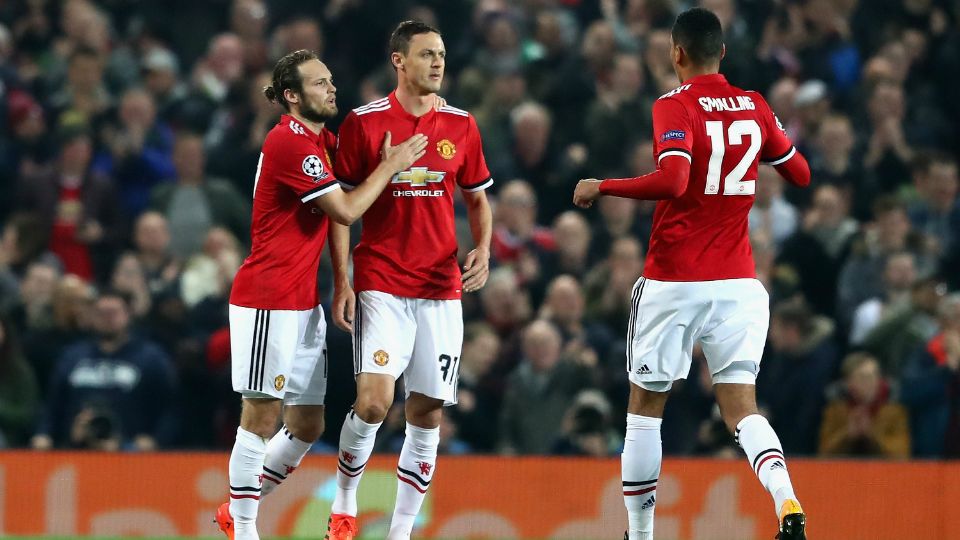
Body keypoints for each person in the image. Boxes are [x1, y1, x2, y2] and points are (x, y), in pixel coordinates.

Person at [573, 8, 811, 540]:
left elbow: (675, 180)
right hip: (741, 284)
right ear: (722, 52)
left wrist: (604, 185)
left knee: (644, 407)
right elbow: (800, 172)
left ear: (676, 53)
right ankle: (785, 497)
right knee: (741, 406)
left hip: (675, 279)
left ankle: (639, 534)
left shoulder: (673, 105)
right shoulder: (754, 105)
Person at [213, 49, 427, 540]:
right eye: (319, 84)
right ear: (292, 96)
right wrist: (392, 165)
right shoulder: (289, 143)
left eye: (331, 81)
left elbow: (350, 183)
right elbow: (347, 209)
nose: (332, 89)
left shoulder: (321, 139)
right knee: (261, 415)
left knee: (308, 424)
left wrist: (341, 280)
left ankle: (236, 507)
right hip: (267, 299)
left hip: (302, 301)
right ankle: (245, 530)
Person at [326, 20, 494, 540]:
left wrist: (483, 249)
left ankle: (399, 532)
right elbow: (339, 209)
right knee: (374, 402)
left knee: (427, 413)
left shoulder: (462, 125)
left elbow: (478, 198)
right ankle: (346, 500)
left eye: (441, 54)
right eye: (426, 55)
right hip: (382, 280)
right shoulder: (365, 122)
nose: (438, 63)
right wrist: (342, 279)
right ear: (399, 61)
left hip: (441, 288)